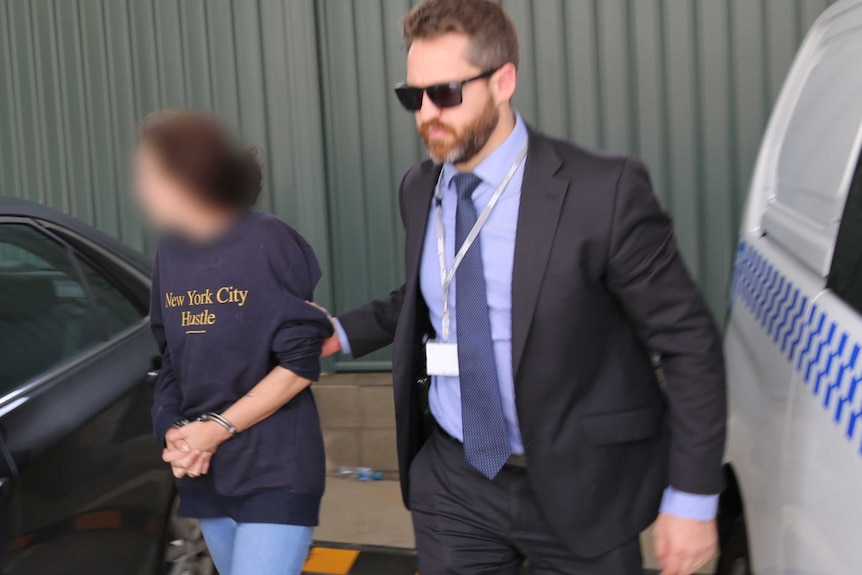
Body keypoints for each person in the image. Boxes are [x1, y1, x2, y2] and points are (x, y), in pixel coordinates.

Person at [320, 1, 727, 574]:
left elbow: (691, 344)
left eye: (446, 94)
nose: (426, 115)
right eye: (412, 97)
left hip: (582, 484)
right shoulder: (420, 188)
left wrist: (692, 496)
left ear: (503, 80)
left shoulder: (602, 191)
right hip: (454, 480)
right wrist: (338, 332)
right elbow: (428, 294)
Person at [136, 110, 333, 575]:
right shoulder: (171, 252)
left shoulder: (269, 241)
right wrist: (171, 430)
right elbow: (172, 359)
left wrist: (217, 428)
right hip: (207, 471)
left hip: (275, 468)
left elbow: (299, 363)